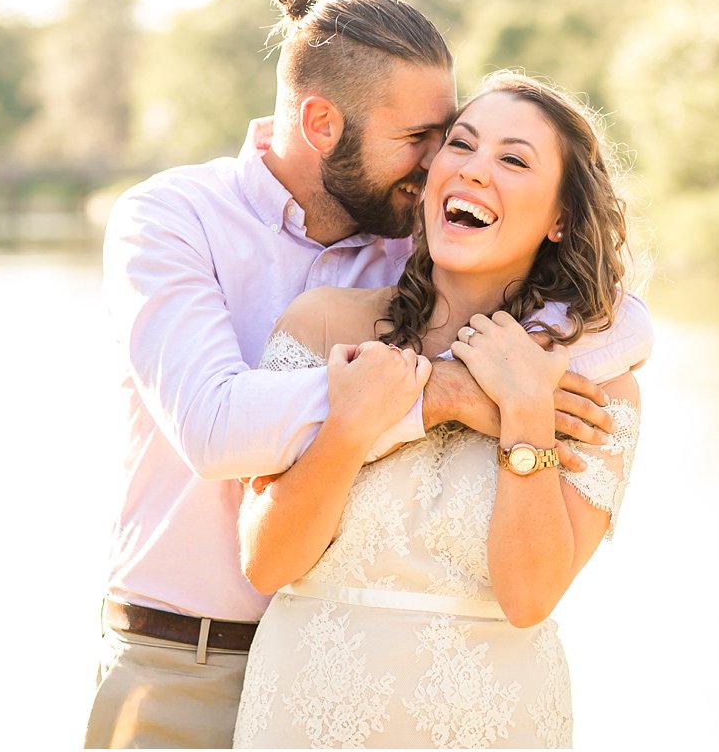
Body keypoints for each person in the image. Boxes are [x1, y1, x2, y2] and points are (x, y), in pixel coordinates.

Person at [85, 0, 652, 749]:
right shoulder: (173, 220)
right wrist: (452, 393)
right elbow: (215, 430)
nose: (444, 165)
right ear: (323, 124)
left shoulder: (414, 234)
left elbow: (612, 317)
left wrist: (534, 388)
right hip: (185, 656)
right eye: (432, 137)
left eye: (451, 136)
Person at [232, 71, 643, 748]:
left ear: (561, 218)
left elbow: (528, 597)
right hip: (306, 714)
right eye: (461, 145)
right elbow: (266, 563)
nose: (476, 170)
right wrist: (354, 425)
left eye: (513, 159)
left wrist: (525, 410)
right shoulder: (325, 326)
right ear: (429, 177)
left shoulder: (596, 386)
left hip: (495, 723)